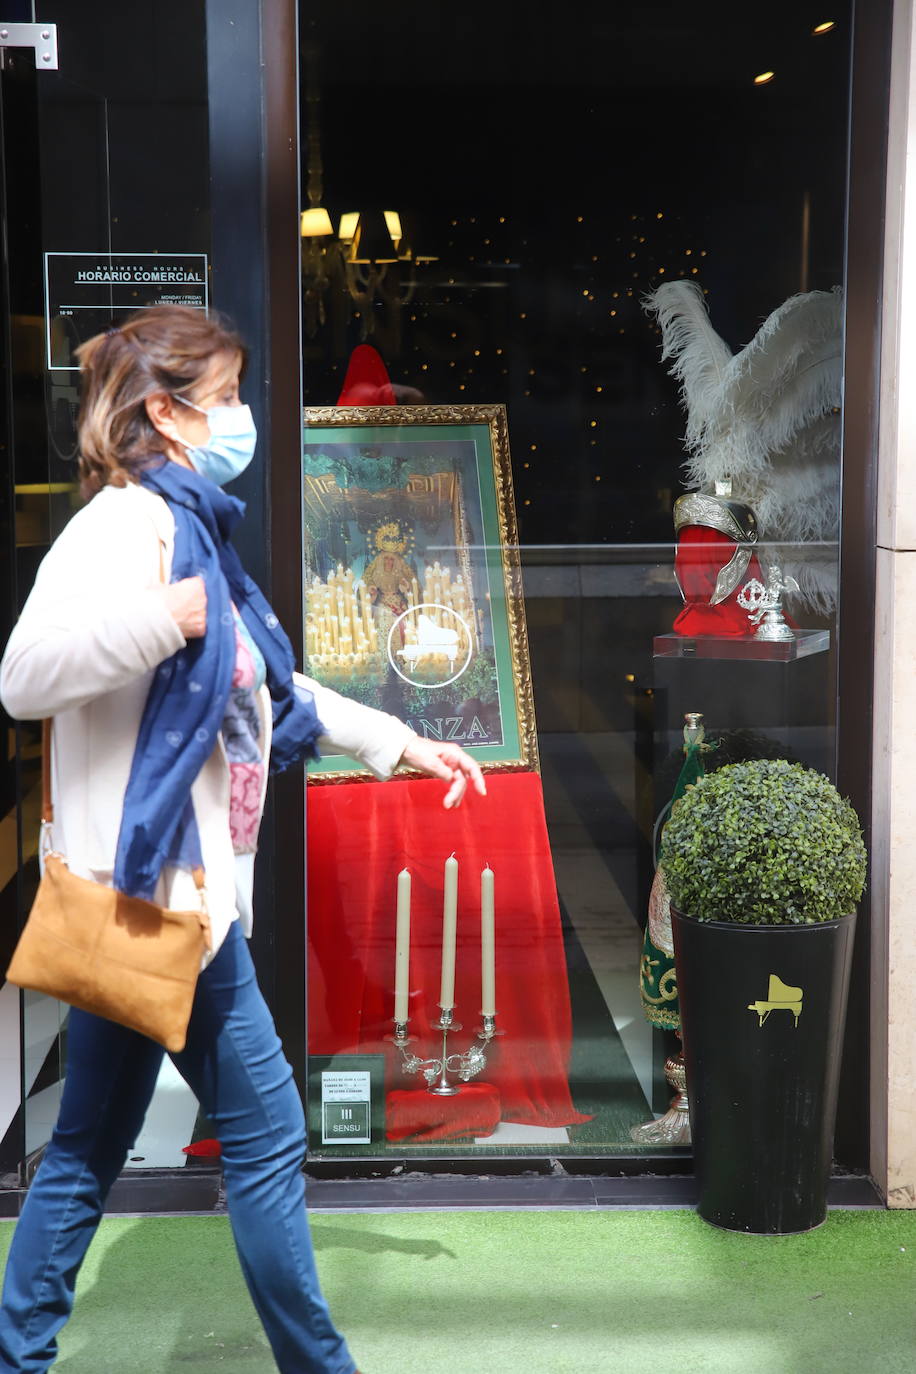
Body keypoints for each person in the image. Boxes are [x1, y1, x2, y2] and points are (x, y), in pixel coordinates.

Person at [0, 304, 486, 1374]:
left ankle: (16, 1356)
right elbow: (23, 673)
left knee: (84, 1146)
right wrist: (158, 620)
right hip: (166, 898)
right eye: (222, 398)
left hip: (149, 899)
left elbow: (261, 683)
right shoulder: (125, 527)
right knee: (266, 1142)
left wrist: (397, 741)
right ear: (165, 413)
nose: (241, 417)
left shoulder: (186, 522)